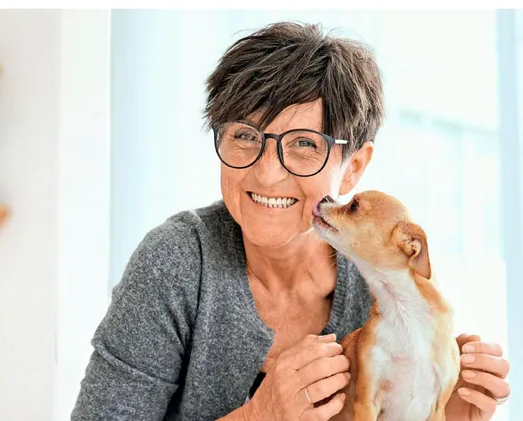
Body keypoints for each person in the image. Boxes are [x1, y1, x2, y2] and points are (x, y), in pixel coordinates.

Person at [71, 21, 511, 421]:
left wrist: (450, 412)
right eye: (245, 135)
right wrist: (259, 415)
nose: (266, 174)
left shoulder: (382, 284)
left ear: (354, 167)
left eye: (303, 143)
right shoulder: (176, 263)